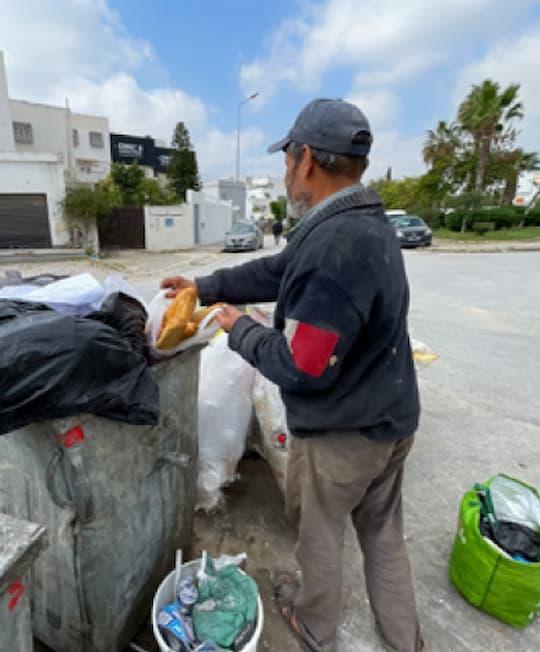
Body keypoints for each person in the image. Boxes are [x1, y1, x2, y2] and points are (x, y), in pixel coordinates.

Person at [161, 98, 422, 652]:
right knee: (382, 534)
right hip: (393, 417)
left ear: (306, 160)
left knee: (321, 534)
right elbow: (275, 271)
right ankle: (406, 642)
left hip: (346, 435)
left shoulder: (335, 248)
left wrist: (237, 329)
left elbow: (300, 367)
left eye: (286, 160)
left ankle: (315, 625)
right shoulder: (360, 223)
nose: (285, 172)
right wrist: (206, 288)